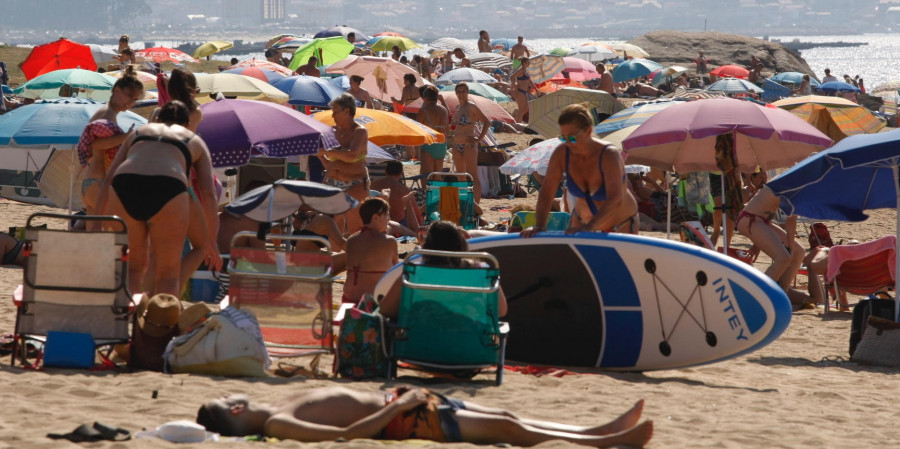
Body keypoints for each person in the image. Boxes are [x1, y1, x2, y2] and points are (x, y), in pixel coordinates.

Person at [196, 386, 653, 447]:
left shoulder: (278, 410)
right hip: (415, 421)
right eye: (231, 396)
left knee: (511, 416)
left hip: (412, 405)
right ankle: (608, 443)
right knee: (511, 431)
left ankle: (600, 430)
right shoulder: (278, 425)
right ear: (237, 409)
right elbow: (348, 434)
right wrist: (397, 406)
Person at [94, 100, 219, 297]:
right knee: (168, 274)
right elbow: (208, 194)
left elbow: (109, 178)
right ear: (187, 124)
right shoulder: (194, 140)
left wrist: (95, 223)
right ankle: (158, 323)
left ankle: (129, 318)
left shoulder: (139, 132)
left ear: (158, 118)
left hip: (125, 183)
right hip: (168, 185)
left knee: (134, 267)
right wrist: (212, 240)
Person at [522, 103, 638, 237]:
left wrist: (591, 227)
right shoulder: (562, 153)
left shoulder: (608, 154)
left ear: (588, 131)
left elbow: (615, 197)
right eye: (563, 138)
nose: (567, 143)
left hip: (621, 223)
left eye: (572, 138)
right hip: (582, 221)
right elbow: (547, 192)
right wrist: (540, 225)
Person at [380, 220, 508, 318]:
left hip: (420, 344)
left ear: (427, 245)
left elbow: (385, 310)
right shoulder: (482, 271)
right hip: (471, 344)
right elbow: (501, 311)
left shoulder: (413, 272)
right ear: (461, 243)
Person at [77, 66, 144, 215]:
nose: (131, 102)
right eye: (129, 96)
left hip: (91, 182)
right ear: (117, 90)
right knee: (113, 233)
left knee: (94, 235)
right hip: (99, 183)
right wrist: (127, 137)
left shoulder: (107, 112)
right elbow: (96, 144)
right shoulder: (107, 114)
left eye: (135, 99)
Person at [734, 185, 807, 304]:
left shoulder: (794, 181)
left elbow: (767, 208)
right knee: (784, 257)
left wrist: (757, 243)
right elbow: (791, 220)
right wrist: (790, 246)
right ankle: (755, 298)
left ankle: (782, 293)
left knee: (799, 252)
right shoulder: (793, 183)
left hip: (761, 220)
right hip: (750, 219)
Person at [318, 94, 369, 234]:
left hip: (356, 182)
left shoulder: (359, 132)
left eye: (335, 111)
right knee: (333, 225)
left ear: (347, 111)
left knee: (355, 226)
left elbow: (352, 154)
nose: (332, 115)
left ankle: (354, 254)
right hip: (332, 180)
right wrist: (320, 155)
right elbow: (331, 164)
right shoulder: (332, 131)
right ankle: (338, 255)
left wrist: (327, 151)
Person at [341, 198, 398, 304]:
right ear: (375, 217)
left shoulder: (351, 240)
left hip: (348, 299)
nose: (388, 219)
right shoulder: (389, 242)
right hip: (373, 302)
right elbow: (395, 272)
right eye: (386, 215)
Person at [451, 83, 490, 204]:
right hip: (457, 144)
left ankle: (476, 203)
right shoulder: (458, 108)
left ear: (467, 93)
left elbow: (486, 122)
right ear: (456, 93)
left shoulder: (471, 107)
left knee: (472, 175)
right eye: (459, 92)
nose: (461, 94)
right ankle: (464, 201)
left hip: (469, 144)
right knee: (460, 176)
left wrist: (479, 139)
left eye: (463, 91)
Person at [292, 208, 347, 274]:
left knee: (348, 256)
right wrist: (360, 251)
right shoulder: (326, 220)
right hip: (309, 267)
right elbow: (342, 244)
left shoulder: (316, 217)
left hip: (301, 264)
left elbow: (336, 248)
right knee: (350, 256)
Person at [371, 160, 419, 231]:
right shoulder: (404, 189)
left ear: (386, 171)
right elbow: (416, 212)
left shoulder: (373, 185)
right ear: (401, 174)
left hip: (376, 222)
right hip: (398, 224)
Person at [415, 85, 449, 176]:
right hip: (441, 144)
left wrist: (416, 150)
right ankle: (436, 190)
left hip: (428, 144)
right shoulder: (444, 110)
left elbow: (417, 129)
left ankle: (425, 190)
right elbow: (447, 128)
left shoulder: (423, 110)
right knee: (437, 175)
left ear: (425, 98)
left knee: (426, 175)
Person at [510, 57, 539, 122]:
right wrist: (514, 87)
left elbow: (530, 81)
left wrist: (536, 89)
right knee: (522, 109)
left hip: (524, 92)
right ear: (524, 63)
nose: (529, 63)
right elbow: (512, 77)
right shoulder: (520, 70)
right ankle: (514, 122)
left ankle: (517, 121)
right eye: (528, 62)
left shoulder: (526, 70)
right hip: (520, 91)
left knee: (526, 108)